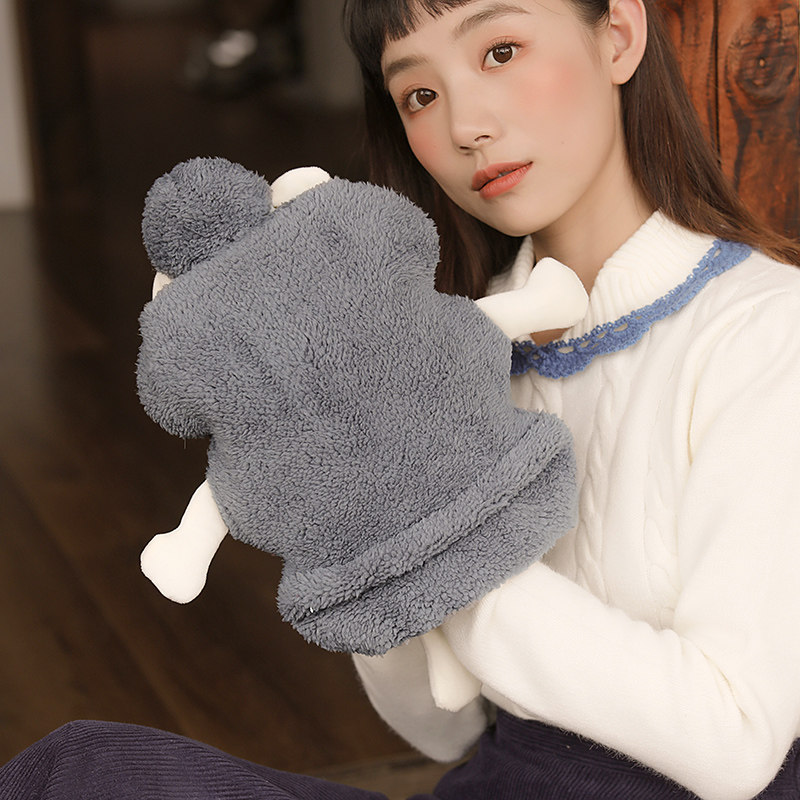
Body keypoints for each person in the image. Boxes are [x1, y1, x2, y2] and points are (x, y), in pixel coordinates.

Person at [1, 1, 799, 798]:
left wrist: (430, 532)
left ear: (618, 34)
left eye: (501, 51)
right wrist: (352, 500)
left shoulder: (766, 333)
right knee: (83, 771)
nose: (465, 126)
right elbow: (443, 728)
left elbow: (734, 744)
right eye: (419, 95)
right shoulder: (442, 342)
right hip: (496, 786)